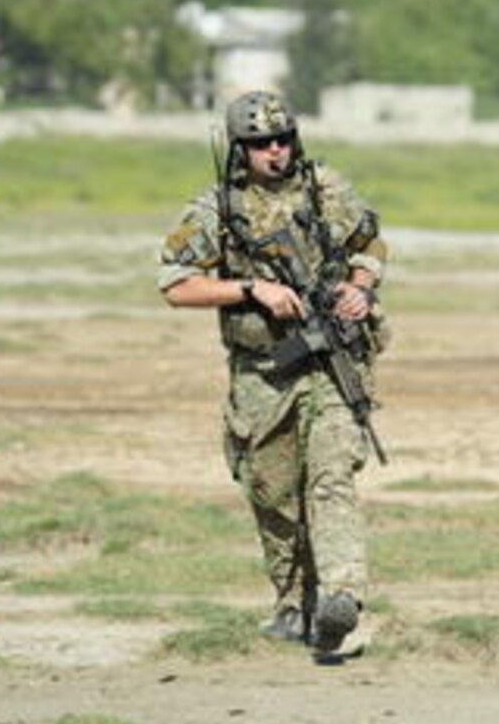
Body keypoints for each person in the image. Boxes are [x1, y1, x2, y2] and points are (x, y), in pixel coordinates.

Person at [157, 90, 390, 662]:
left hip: (333, 363)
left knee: (332, 476)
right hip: (263, 372)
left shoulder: (325, 190)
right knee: (271, 490)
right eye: (262, 143)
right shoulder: (216, 211)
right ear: (242, 150)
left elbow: (371, 243)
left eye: (283, 139)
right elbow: (176, 285)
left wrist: (359, 289)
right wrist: (250, 289)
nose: (276, 151)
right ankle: (293, 601)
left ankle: (341, 597)